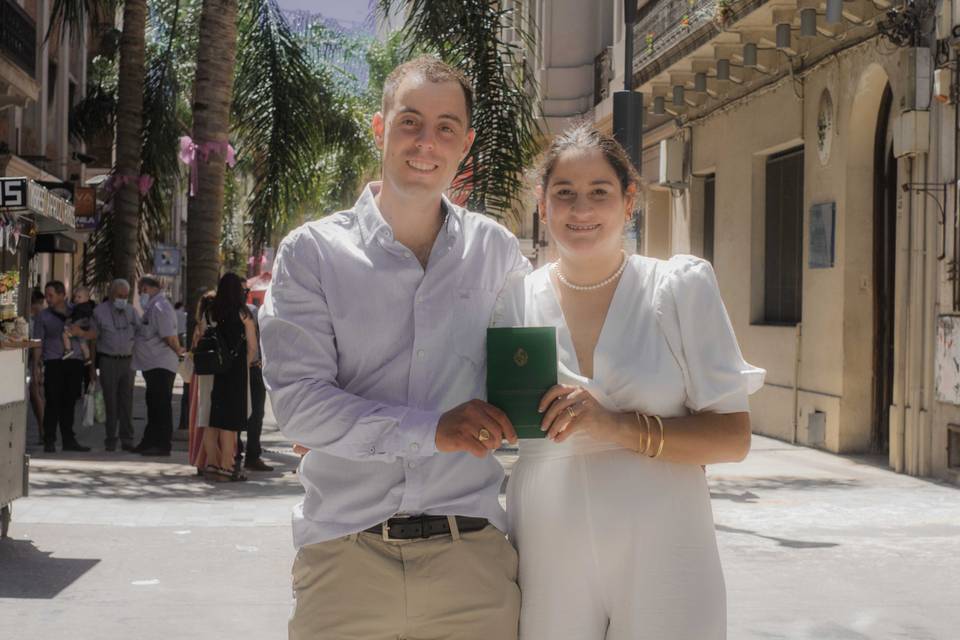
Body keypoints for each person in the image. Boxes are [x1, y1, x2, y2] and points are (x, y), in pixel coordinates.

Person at [260, 56, 527, 639]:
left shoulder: (498, 253)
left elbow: (532, 373)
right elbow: (301, 407)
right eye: (410, 122)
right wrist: (434, 429)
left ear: (466, 144)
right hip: (344, 561)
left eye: (446, 127)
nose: (426, 142)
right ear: (380, 129)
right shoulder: (311, 255)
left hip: (471, 565)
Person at [495, 124, 765, 640]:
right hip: (549, 545)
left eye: (600, 192)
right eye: (564, 194)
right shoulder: (513, 302)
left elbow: (733, 438)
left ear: (628, 201)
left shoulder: (678, 288)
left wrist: (613, 425)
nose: (581, 210)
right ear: (541, 202)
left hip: (666, 544)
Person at [197, 273, 258, 481]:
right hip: (235, 373)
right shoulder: (244, 313)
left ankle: (212, 464)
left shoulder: (209, 312)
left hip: (210, 372)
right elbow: (252, 347)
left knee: (210, 420)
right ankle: (226, 467)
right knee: (230, 423)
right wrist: (242, 363)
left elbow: (202, 338)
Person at [31, 281, 93, 453]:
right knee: (52, 401)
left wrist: (82, 335)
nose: (48, 299)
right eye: (46, 295)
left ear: (62, 295)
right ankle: (49, 439)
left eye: (51, 295)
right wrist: (36, 367)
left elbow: (93, 333)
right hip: (54, 361)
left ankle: (68, 439)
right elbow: (38, 343)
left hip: (74, 361)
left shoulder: (78, 310)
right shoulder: (43, 316)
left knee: (70, 401)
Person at [132, 275, 183, 456]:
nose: (140, 294)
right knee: (153, 404)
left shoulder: (161, 307)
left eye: (141, 290)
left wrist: (179, 352)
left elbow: (169, 336)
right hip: (152, 364)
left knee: (160, 405)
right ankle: (149, 441)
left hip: (161, 364)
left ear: (147, 288)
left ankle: (162, 444)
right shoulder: (153, 306)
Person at [93, 279, 138, 451]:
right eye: (120, 296)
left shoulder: (131, 311)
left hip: (127, 361)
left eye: (126, 296)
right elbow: (93, 339)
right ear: (112, 295)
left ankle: (127, 439)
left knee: (127, 401)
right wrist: (91, 367)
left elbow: (140, 331)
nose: (123, 299)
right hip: (108, 360)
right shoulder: (99, 312)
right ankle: (111, 439)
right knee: (110, 401)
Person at [239, 277, 271, 472]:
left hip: (240, 370)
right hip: (250, 368)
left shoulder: (219, 310)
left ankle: (239, 454)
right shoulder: (249, 311)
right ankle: (251, 455)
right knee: (255, 413)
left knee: (246, 413)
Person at [28, 289, 46, 443]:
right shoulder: (31, 319)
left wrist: (36, 366)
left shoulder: (39, 318)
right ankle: (42, 430)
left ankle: (43, 430)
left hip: (36, 360)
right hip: (31, 360)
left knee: (36, 394)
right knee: (35, 395)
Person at [62, 285, 95, 363]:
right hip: (84, 328)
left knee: (64, 334)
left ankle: (68, 349)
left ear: (87, 298)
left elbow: (73, 314)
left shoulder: (80, 307)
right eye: (75, 297)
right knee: (82, 342)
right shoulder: (88, 307)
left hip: (77, 326)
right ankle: (87, 358)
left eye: (79, 297)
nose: (76, 299)